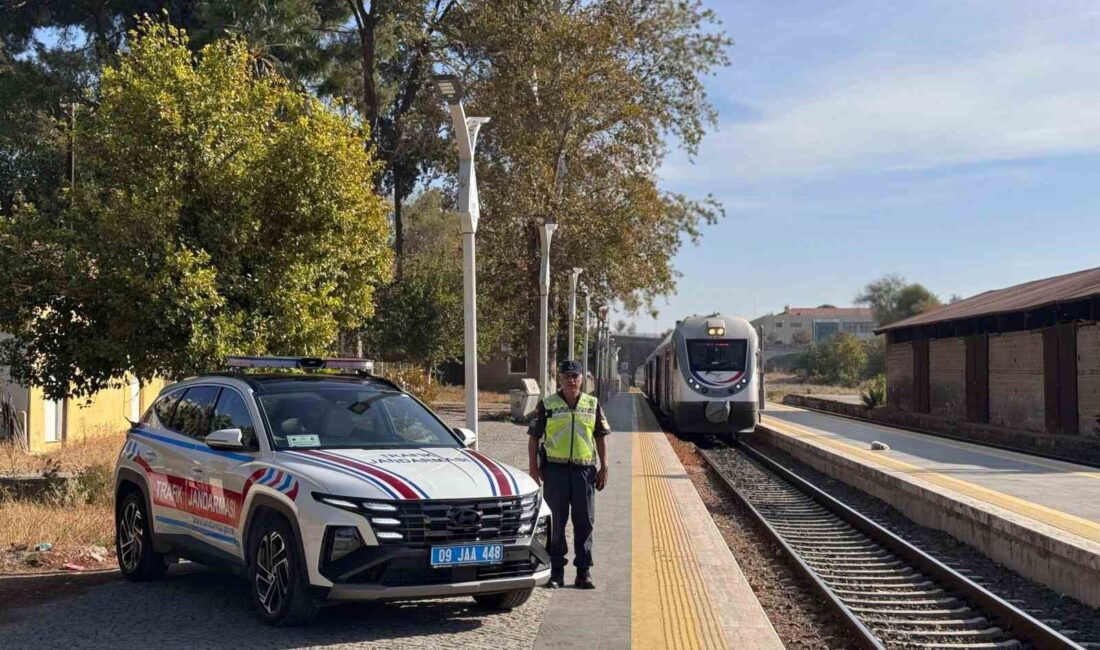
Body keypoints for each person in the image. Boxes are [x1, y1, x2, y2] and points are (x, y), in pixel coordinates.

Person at [528, 359, 611, 589]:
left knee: (585, 522)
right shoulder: (547, 404)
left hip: (584, 472)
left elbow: (600, 437)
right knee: (555, 522)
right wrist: (533, 470)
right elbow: (533, 437)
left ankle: (583, 572)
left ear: (582, 379)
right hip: (555, 472)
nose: (571, 380)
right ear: (560, 379)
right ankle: (556, 571)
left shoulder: (593, 404)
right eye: (567, 376)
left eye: (575, 376)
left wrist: (605, 467)